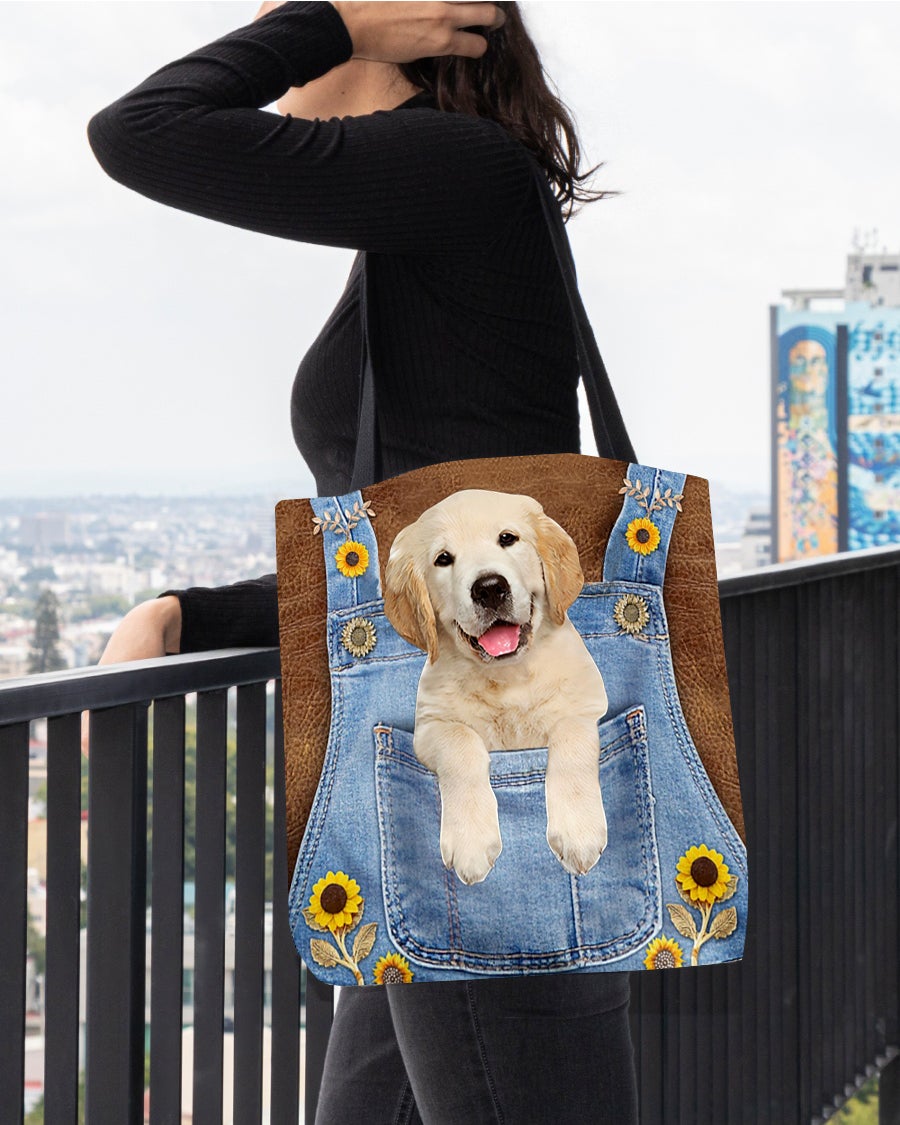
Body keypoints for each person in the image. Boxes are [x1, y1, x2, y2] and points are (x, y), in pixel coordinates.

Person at [88, 3, 639, 1121]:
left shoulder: (456, 170)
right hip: (443, 781)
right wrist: (194, 614)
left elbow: (140, 130)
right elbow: (428, 568)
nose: (268, 31)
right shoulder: (442, 205)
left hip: (483, 798)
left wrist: (335, 24)